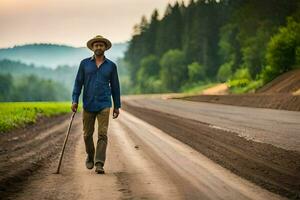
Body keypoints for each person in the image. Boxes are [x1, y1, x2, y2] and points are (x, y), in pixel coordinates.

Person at [71, 35, 121, 174]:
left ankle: (99, 163)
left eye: (101, 45)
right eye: (96, 45)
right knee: (87, 135)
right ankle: (90, 155)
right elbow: (78, 83)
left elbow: (116, 87)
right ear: (92, 48)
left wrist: (117, 106)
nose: (98, 47)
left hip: (104, 104)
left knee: (102, 134)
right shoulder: (84, 64)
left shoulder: (111, 66)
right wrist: (75, 100)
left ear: (105, 48)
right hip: (88, 104)